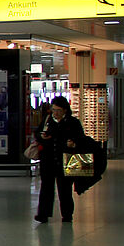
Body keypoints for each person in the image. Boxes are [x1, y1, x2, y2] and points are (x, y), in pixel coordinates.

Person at [35, 95, 84, 223]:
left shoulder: (73, 122)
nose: (55, 113)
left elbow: (80, 138)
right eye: (53, 110)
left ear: (65, 110)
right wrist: (42, 138)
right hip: (48, 159)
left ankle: (67, 214)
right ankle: (43, 214)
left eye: (58, 110)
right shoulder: (47, 121)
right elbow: (37, 134)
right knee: (46, 187)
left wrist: (72, 142)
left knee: (65, 188)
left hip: (65, 159)